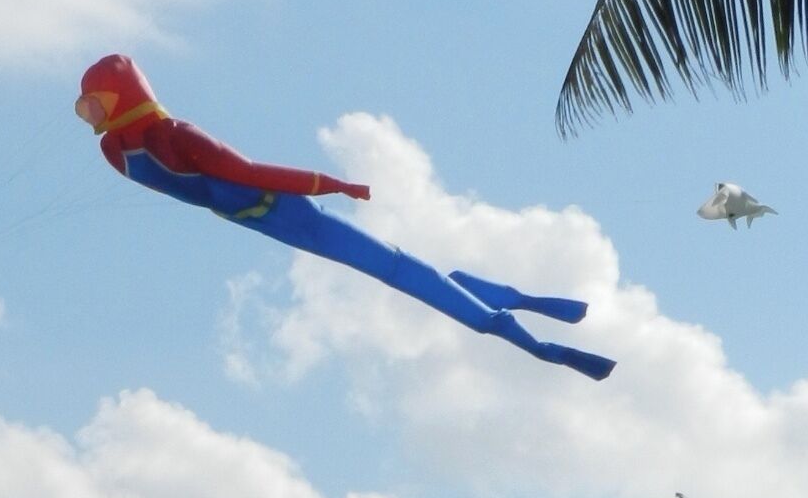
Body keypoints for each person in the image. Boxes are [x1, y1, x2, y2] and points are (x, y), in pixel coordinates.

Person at [75, 53, 615, 383]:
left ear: (115, 95)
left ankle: (532, 338)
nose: (88, 114)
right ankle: (504, 299)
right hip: (259, 220)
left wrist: (332, 183)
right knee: (400, 271)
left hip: (286, 211)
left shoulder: (174, 137)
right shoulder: (122, 150)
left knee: (397, 271)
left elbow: (248, 171)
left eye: (92, 101)